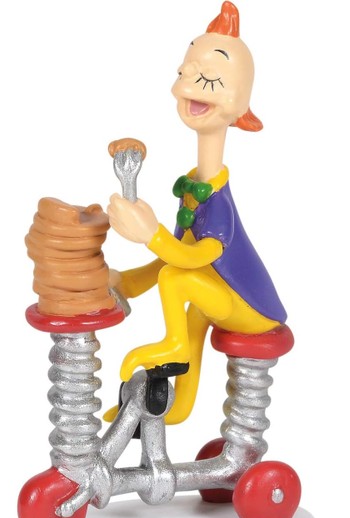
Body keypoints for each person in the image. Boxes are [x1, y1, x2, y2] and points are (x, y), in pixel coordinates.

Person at [106, 1, 286, 425]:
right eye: (186, 72)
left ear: (240, 110)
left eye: (209, 78)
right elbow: (175, 254)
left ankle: (173, 346)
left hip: (251, 309)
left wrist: (150, 234)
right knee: (182, 288)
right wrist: (126, 282)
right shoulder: (193, 187)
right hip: (218, 297)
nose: (187, 81)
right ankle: (174, 410)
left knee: (178, 279)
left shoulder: (216, 201)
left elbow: (191, 258)